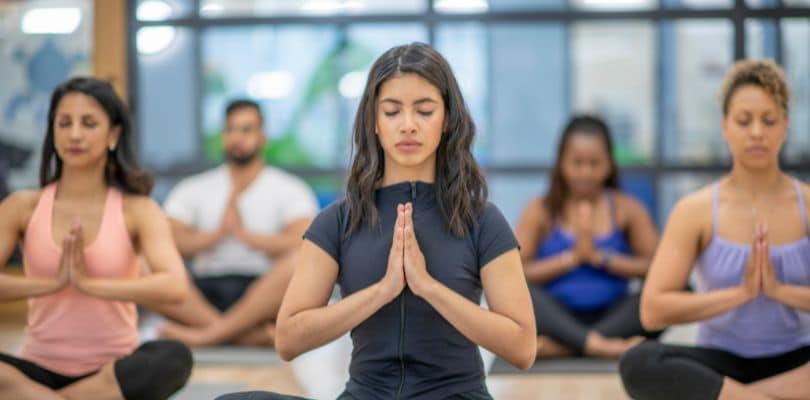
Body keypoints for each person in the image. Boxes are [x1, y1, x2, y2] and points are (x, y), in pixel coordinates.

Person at [217, 42, 536, 400]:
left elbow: (522, 348)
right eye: (392, 111)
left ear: (447, 120)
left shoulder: (482, 220)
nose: (408, 125)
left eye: (425, 111)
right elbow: (288, 339)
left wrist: (427, 286)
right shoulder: (338, 221)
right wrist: (382, 291)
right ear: (374, 122)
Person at [620, 59, 810, 400]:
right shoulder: (695, 210)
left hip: (795, 362)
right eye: (744, 120)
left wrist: (779, 290)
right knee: (639, 361)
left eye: (768, 120)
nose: (756, 132)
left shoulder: (807, 204)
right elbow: (652, 311)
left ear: (785, 124)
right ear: (725, 126)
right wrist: (741, 294)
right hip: (720, 363)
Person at [0, 77, 192, 400]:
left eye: (88, 123)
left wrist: (91, 285)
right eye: (64, 123)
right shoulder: (22, 206)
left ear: (113, 135)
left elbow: (175, 286)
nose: (75, 134)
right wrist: (51, 283)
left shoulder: (138, 209)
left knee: (174, 357)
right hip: (37, 370)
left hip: (112, 376)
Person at [156, 99, 319, 347]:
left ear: (263, 137)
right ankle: (243, 335)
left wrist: (245, 236)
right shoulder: (193, 187)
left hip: (264, 293)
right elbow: (167, 241)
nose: (237, 138)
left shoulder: (290, 188)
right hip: (203, 292)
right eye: (230, 129)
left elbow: (304, 243)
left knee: (300, 262)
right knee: (146, 262)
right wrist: (217, 234)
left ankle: (207, 335)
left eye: (246, 130)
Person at [514, 115, 659, 359]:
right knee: (515, 293)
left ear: (609, 164)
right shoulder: (540, 210)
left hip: (614, 314)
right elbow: (517, 272)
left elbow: (657, 267)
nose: (585, 172)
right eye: (577, 163)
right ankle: (599, 345)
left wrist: (600, 258)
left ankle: (569, 346)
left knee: (678, 288)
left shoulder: (628, 208)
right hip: (555, 316)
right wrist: (572, 258)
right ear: (561, 163)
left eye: (594, 163)